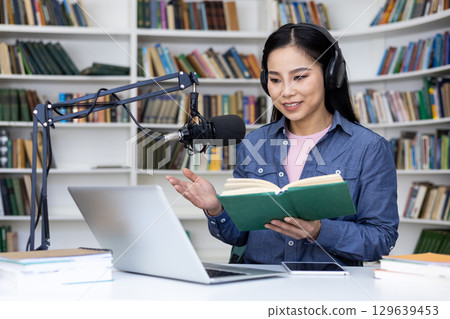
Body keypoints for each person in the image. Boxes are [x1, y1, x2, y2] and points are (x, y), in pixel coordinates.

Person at [166, 23, 399, 266]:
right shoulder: (255, 144)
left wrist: (319, 231)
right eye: (275, 79)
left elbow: (381, 239)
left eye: (300, 77)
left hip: (328, 291)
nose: (286, 91)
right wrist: (215, 208)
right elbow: (240, 235)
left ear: (331, 75)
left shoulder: (369, 148)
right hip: (259, 289)